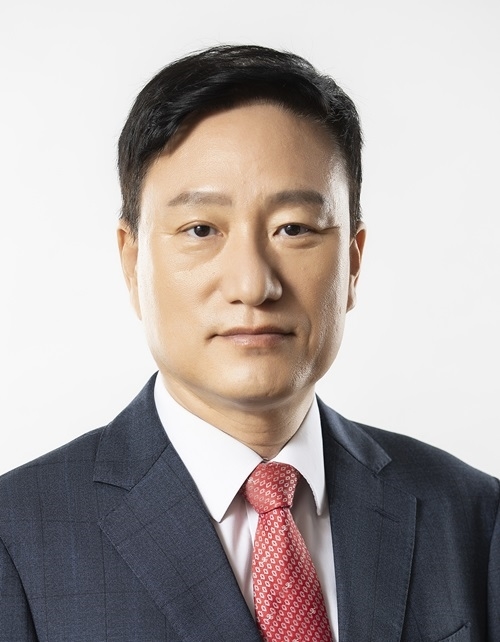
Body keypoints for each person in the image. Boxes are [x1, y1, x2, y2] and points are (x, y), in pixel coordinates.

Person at [0, 44, 498, 642]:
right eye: (201, 229)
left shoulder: (473, 517)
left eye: (294, 228)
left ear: (353, 262)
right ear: (132, 263)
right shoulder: (17, 538)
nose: (253, 285)